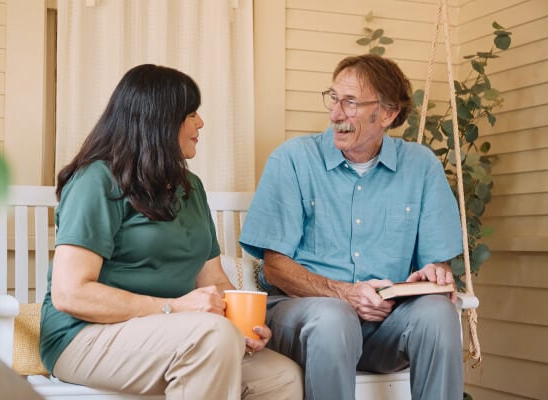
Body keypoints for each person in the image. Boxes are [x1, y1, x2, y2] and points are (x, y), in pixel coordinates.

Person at [39, 64, 303, 400]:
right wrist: (174, 308)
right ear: (159, 120)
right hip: (83, 337)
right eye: (191, 113)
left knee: (281, 376)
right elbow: (70, 293)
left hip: (177, 334)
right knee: (211, 337)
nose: (200, 123)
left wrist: (244, 325)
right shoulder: (97, 180)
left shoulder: (190, 187)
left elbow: (214, 281)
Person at [239, 54, 464, 400]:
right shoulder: (293, 160)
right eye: (333, 98)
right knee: (334, 317)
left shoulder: (421, 167)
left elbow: (438, 265)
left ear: (387, 114)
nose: (335, 114)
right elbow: (275, 266)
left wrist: (434, 273)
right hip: (306, 321)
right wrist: (345, 293)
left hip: (385, 328)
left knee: (438, 312)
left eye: (350, 103)